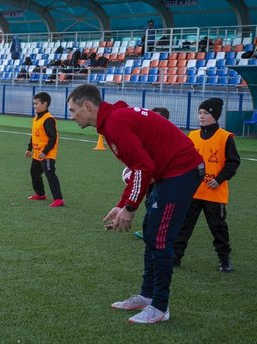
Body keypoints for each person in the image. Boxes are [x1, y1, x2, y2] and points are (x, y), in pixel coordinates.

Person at [67, 84, 204, 324]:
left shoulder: (115, 122)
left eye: (73, 110)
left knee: (160, 238)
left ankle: (160, 306)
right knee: (151, 233)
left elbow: (144, 167)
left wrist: (130, 208)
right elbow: (139, 168)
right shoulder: (112, 121)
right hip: (168, 174)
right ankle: (147, 296)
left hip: (182, 171)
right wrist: (122, 204)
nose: (71, 116)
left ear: (87, 106)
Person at [173, 98, 240, 272]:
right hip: (193, 191)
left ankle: (224, 260)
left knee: (218, 228)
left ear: (215, 116)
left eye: (206, 113)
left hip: (214, 192)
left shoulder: (225, 137)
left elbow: (233, 163)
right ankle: (176, 256)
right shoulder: (193, 135)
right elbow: (185, 160)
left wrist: (218, 179)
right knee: (183, 226)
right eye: (200, 113)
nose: (201, 116)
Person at [133, 107, 171, 240]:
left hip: (164, 179)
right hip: (151, 177)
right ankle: (151, 229)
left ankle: (150, 231)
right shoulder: (149, 135)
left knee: (156, 204)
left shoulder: (169, 137)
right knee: (150, 202)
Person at [25, 92, 65, 208]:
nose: (34, 106)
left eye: (36, 104)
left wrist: (45, 152)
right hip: (37, 154)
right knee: (34, 172)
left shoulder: (49, 120)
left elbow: (53, 138)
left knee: (50, 174)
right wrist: (29, 148)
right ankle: (40, 194)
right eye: (34, 104)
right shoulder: (36, 118)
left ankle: (58, 199)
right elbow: (34, 135)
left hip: (47, 154)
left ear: (45, 104)